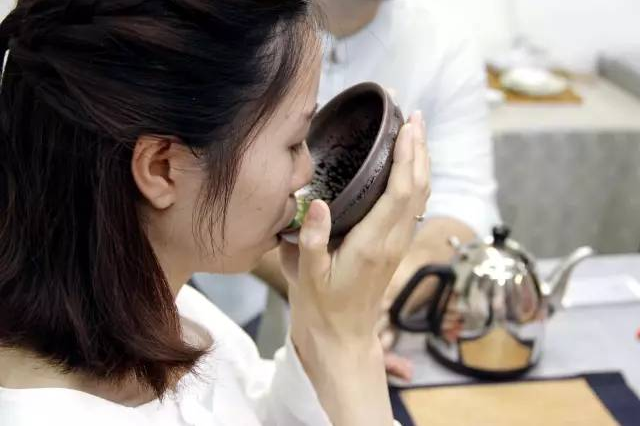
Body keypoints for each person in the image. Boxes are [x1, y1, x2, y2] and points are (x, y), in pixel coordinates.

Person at [0, 0, 430, 425]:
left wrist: (322, 317)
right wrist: (349, 344)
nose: (307, 172)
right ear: (162, 168)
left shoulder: (176, 313)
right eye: (294, 142)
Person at [252, 0, 501, 379]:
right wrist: (331, 299)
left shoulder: (443, 42)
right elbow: (210, 192)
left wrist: (388, 291)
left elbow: (465, 199)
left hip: (381, 321)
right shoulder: (239, 27)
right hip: (234, 305)